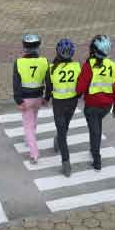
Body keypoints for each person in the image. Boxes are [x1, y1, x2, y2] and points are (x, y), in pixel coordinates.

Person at [76, 35, 115, 171]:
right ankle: (93, 149)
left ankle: (97, 158)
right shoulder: (113, 66)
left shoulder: (88, 65)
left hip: (92, 106)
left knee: (95, 131)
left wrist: (76, 93)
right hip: (106, 107)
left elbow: (80, 87)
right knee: (97, 127)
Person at [13, 34, 50, 164]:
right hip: (38, 97)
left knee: (28, 126)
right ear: (38, 47)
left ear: (24, 47)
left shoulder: (19, 62)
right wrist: (47, 97)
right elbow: (49, 82)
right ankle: (29, 140)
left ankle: (34, 154)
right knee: (33, 119)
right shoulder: (44, 61)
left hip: (26, 99)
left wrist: (18, 100)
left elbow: (16, 84)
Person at [46, 39, 81, 177]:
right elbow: (81, 84)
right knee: (63, 129)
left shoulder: (51, 68)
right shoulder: (77, 66)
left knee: (62, 129)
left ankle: (58, 140)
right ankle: (66, 162)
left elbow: (49, 87)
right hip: (72, 102)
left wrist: (46, 99)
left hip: (59, 104)